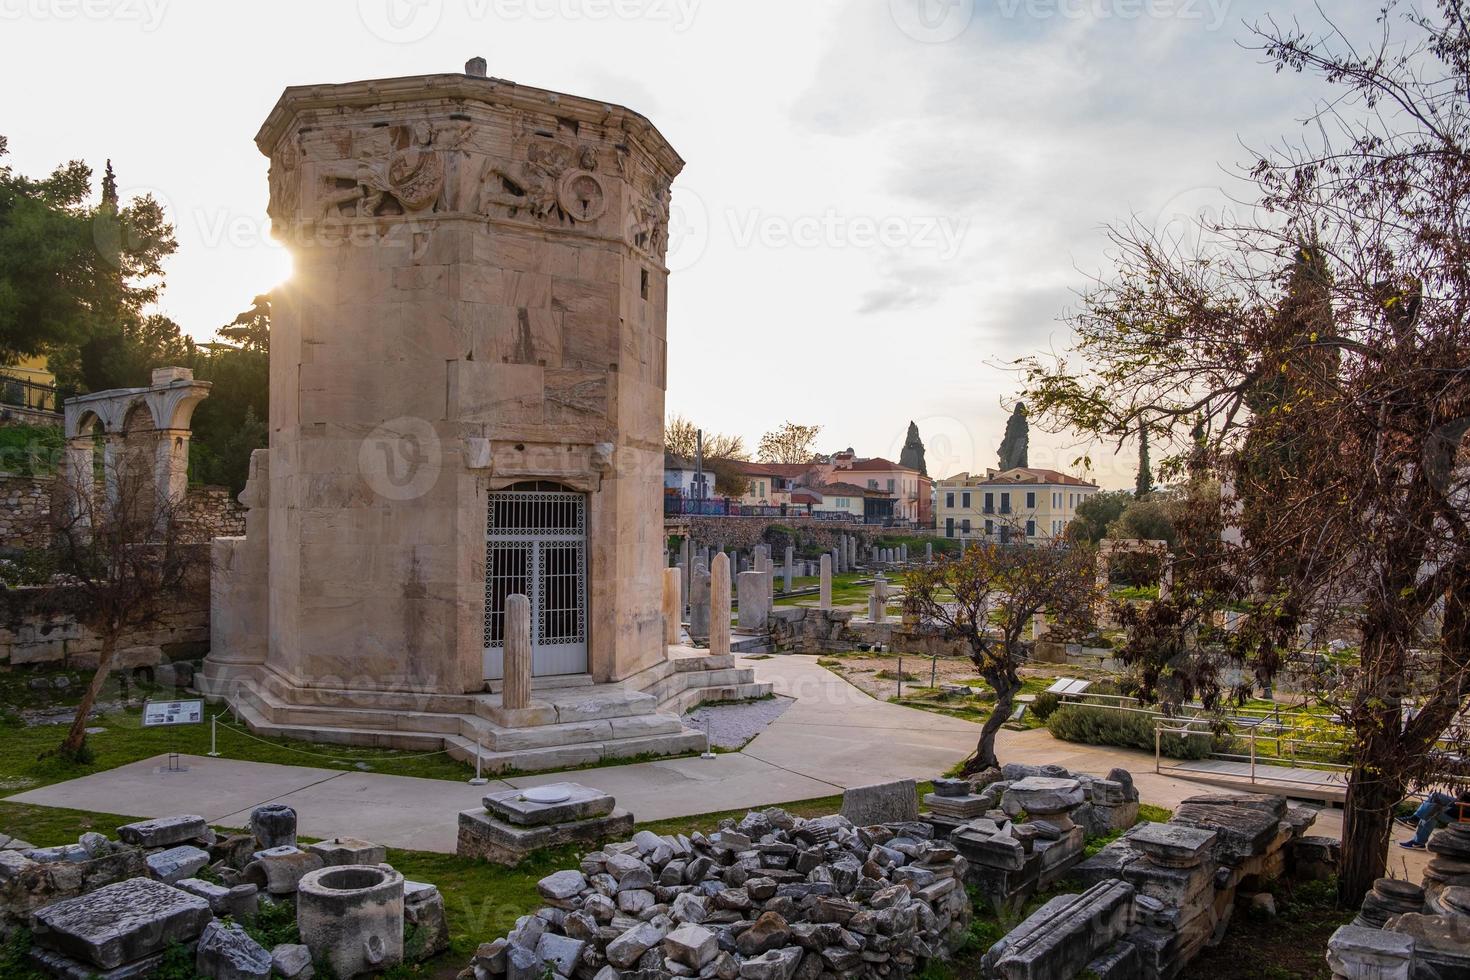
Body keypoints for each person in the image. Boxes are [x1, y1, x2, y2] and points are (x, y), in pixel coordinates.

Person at [1400, 789, 1470, 848]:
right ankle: (1415, 823)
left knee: (1431, 811)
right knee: (1435, 796)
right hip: (1462, 805)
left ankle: (1418, 838)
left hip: (1465, 809)